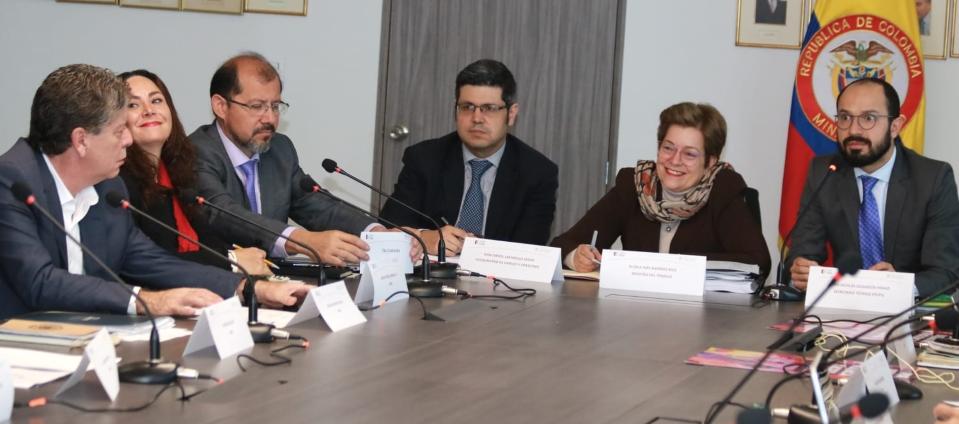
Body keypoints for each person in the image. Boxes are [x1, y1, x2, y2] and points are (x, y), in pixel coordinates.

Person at [0, 64, 308, 320]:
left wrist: (249, 287)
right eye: (119, 131)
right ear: (81, 141)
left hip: (86, 338)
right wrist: (147, 300)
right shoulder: (11, 182)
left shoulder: (108, 187)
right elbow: (40, 282)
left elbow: (148, 260)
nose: (128, 140)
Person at [190, 52, 416, 266]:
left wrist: (376, 233)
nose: (270, 118)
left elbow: (317, 206)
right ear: (221, 106)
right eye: (257, 106)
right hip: (216, 278)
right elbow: (223, 213)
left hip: (275, 278)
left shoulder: (279, 149)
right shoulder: (194, 152)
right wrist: (303, 240)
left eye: (275, 106)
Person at [551, 102, 771, 276]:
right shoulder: (636, 185)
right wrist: (575, 257)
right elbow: (562, 245)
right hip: (634, 312)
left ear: (710, 161)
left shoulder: (723, 190)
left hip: (701, 314)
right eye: (668, 148)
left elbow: (757, 261)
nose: (674, 160)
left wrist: (677, 267)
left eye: (689, 154)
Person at [787, 78, 959, 296]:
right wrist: (801, 271)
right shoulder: (825, 172)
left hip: (910, 309)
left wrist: (896, 284)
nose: (853, 130)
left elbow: (946, 272)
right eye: (845, 117)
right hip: (843, 306)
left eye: (868, 118)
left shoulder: (933, 179)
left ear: (895, 126)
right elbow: (802, 252)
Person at [380, 59, 558, 256]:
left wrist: (475, 250)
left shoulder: (537, 173)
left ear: (511, 114)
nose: (477, 118)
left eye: (489, 108)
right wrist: (423, 237)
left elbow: (529, 250)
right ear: (456, 110)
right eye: (467, 107)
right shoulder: (424, 159)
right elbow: (389, 227)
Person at [119, 69, 270, 274]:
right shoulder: (117, 183)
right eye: (133, 105)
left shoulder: (179, 175)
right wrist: (232, 260)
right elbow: (142, 261)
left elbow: (207, 241)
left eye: (156, 101)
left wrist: (242, 259)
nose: (149, 110)